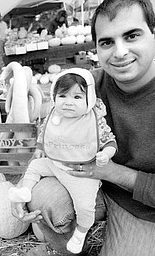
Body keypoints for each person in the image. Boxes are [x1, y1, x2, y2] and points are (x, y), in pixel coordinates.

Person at [11, 0, 155, 255]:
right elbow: (50, 135)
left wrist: (112, 172)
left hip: (144, 205)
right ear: (96, 48)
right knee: (43, 196)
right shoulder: (86, 87)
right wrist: (25, 184)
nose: (120, 52)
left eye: (132, 35)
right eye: (107, 42)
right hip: (90, 186)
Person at [9, 68, 117, 254]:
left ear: (89, 99)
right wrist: (40, 149)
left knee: (84, 204)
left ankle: (81, 232)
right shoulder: (54, 115)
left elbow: (110, 140)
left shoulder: (94, 120)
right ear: (54, 96)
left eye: (77, 97)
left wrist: (106, 154)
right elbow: (44, 134)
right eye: (63, 96)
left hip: (82, 172)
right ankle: (25, 191)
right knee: (34, 167)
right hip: (56, 164)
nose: (68, 103)